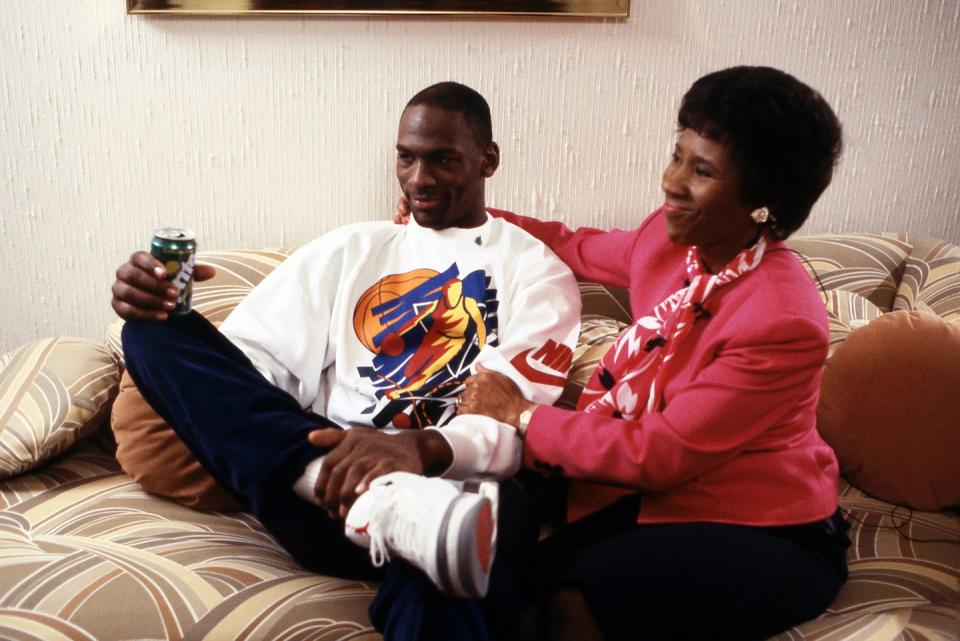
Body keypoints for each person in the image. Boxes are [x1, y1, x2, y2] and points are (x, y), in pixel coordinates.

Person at [111, 81, 580, 639]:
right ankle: (377, 502)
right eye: (406, 158)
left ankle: (410, 514)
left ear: (488, 160)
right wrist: (163, 309)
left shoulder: (536, 272)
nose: (419, 179)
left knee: (469, 550)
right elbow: (248, 379)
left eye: (443, 160)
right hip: (326, 491)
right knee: (149, 335)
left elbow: (507, 426)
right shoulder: (349, 250)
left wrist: (415, 454)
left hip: (456, 495)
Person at [451, 66, 851, 641]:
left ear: (765, 202)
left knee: (573, 605)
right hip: (663, 496)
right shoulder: (668, 243)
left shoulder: (783, 321)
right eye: (677, 155)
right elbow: (572, 244)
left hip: (767, 527)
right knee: (510, 593)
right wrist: (470, 221)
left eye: (702, 170)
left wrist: (521, 413)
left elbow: (658, 453)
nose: (672, 181)